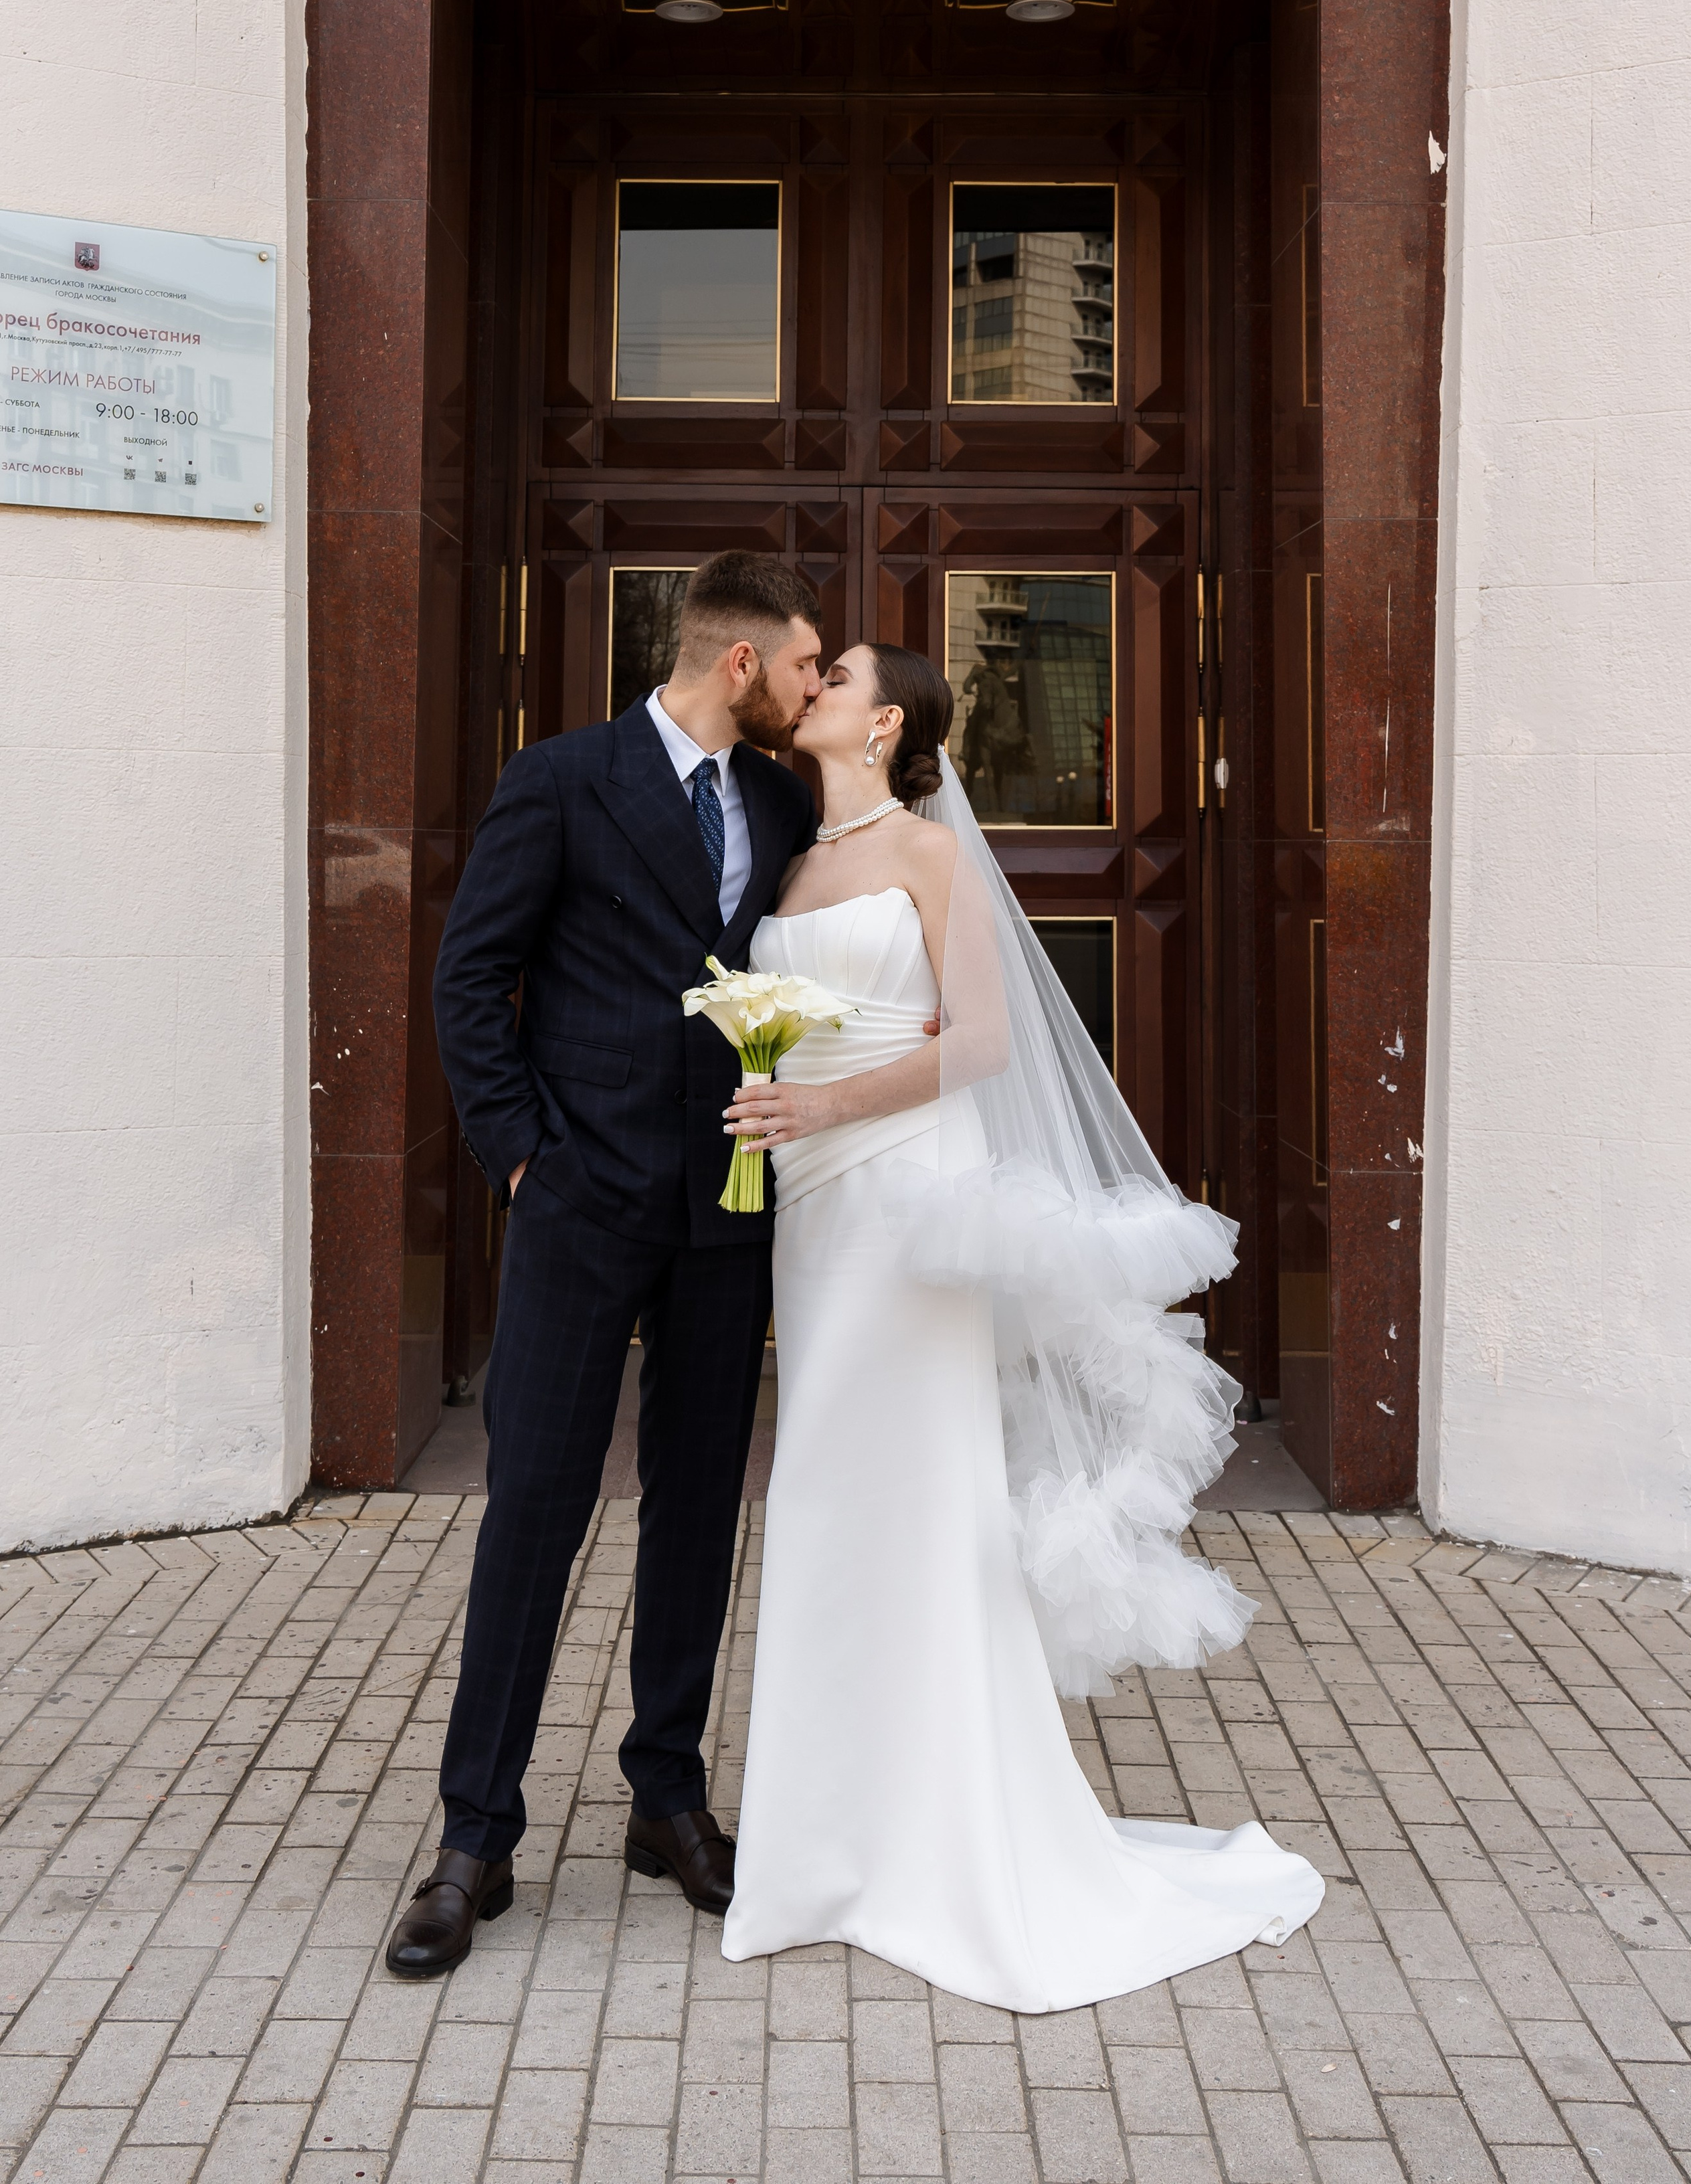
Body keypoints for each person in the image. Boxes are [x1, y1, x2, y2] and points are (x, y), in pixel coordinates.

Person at [718, 641, 1325, 2011]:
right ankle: (825, 1844)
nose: (807, 686)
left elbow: (978, 1042)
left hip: (905, 1203)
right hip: (812, 1215)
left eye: (840, 674)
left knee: (920, 1492)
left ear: (885, 722)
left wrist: (815, 1106)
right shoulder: (794, 861)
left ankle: (945, 1836)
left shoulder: (928, 855)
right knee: (825, 1491)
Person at [383, 553, 826, 1977]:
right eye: (802, 663)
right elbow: (470, 976)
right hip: (580, 1204)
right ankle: (474, 1834)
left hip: (727, 1209)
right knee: (536, 1507)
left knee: (697, 1507)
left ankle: (667, 1796)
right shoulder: (562, 778)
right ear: (739, 665)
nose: (811, 686)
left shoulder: (777, 797)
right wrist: (523, 1159)